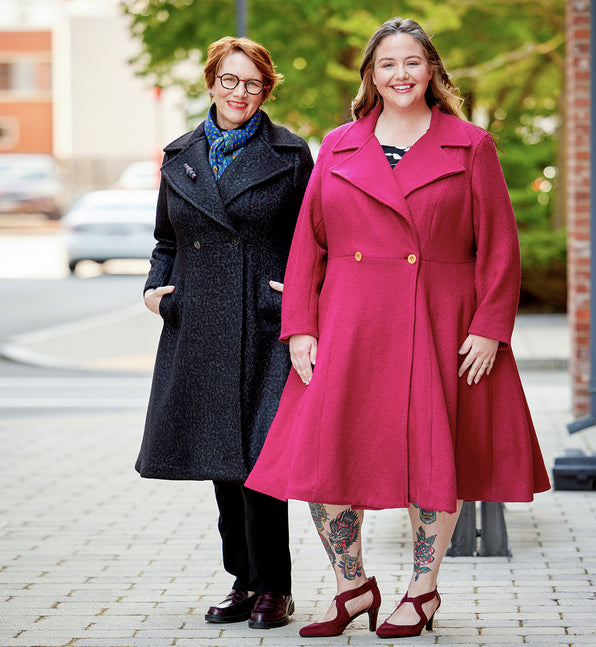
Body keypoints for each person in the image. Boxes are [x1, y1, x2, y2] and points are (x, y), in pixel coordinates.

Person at [245, 17, 550, 639]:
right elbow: (309, 243)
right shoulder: (338, 145)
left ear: (432, 70)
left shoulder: (471, 145)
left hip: (440, 319)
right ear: (371, 76)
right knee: (322, 460)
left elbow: (500, 248)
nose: (401, 74)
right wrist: (300, 325)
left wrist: (490, 326)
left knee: (432, 460)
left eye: (412, 62)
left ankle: (422, 590)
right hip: (348, 321)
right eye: (387, 64)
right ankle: (352, 586)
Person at [135, 36, 313, 630]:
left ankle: (275, 587)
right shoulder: (179, 153)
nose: (241, 93)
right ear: (212, 81)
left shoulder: (289, 154)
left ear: (266, 90)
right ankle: (243, 580)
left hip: (266, 324)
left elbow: (312, 236)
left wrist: (301, 292)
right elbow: (167, 238)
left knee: (262, 459)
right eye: (231, 81)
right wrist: (155, 289)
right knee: (221, 461)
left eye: (254, 84)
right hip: (200, 322)